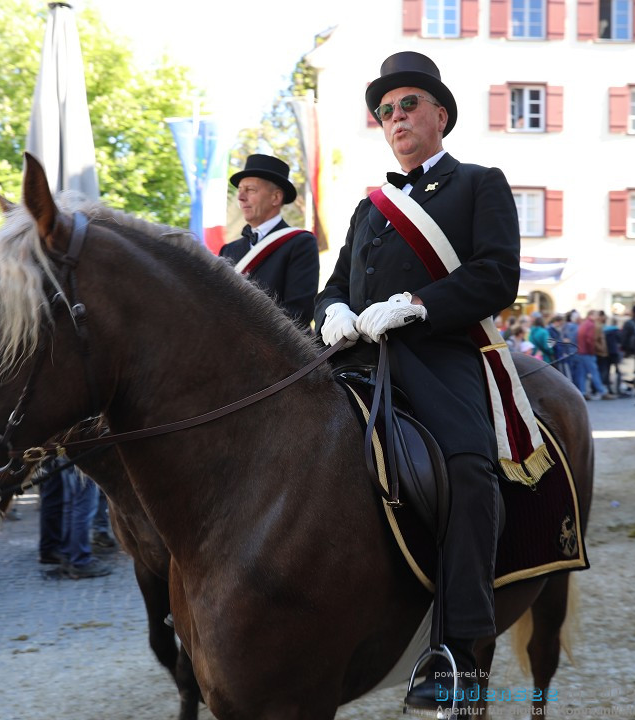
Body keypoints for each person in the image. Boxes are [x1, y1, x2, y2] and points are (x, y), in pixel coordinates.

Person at [314, 50, 536, 710]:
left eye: (407, 105)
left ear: (440, 114)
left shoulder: (478, 183)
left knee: (468, 471)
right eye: (384, 112)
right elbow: (332, 287)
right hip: (356, 359)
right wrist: (333, 314)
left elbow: (498, 275)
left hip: (438, 356)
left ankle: (459, 649)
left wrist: (419, 305)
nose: (395, 118)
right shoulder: (369, 208)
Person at [219, 154, 320, 327]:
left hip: (278, 350)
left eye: (250, 190)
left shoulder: (300, 243)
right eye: (240, 190)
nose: (241, 197)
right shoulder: (228, 250)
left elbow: (298, 314)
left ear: (276, 198)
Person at [36, 456, 112, 579]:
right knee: (83, 506)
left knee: (71, 504)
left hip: (67, 452)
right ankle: (79, 561)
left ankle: (69, 555)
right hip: (80, 451)